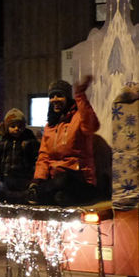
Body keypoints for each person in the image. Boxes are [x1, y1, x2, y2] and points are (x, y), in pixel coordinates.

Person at [28, 75, 100, 206]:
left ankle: (35, 194)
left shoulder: (78, 118)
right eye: (52, 97)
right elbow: (44, 156)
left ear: (68, 98)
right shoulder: (50, 125)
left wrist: (80, 96)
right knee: (58, 195)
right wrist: (38, 179)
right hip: (55, 181)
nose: (55, 99)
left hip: (79, 180)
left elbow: (92, 125)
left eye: (59, 95)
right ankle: (34, 193)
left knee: (63, 179)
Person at [0, 108, 39, 204]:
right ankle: (10, 196)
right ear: (7, 127)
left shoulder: (29, 140)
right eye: (13, 126)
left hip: (23, 176)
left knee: (21, 192)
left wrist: (32, 173)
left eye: (20, 126)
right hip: (6, 175)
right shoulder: (4, 140)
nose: (16, 129)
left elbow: (35, 157)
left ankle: (21, 196)